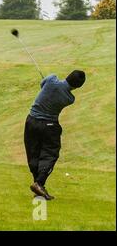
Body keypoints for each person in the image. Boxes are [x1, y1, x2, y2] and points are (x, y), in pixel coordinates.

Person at [25, 70, 86, 200]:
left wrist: (49, 85)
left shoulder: (52, 79)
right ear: (77, 87)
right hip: (50, 126)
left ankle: (38, 185)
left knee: (33, 153)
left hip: (31, 121)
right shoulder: (70, 99)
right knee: (50, 153)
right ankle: (39, 183)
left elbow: (42, 85)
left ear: (68, 75)